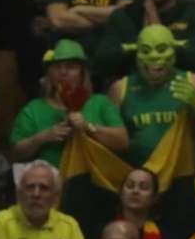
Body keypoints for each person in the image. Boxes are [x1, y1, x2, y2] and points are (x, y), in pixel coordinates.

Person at [109, 24, 195, 239]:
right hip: (138, 192)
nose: (154, 57)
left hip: (182, 189)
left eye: (162, 49)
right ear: (135, 53)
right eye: (146, 50)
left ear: (175, 50)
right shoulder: (120, 88)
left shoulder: (193, 82)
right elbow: (109, 145)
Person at [10, 38, 127, 167]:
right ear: (49, 73)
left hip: (94, 176)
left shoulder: (100, 103)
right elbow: (15, 153)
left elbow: (122, 142)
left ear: (82, 73)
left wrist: (88, 127)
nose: (63, 72)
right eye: (56, 67)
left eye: (70, 67)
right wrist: (43, 137)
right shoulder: (33, 109)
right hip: (52, 176)